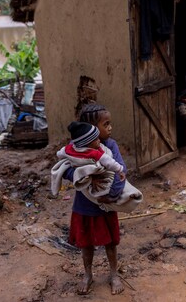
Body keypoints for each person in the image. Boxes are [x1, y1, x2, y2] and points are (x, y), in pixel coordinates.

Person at [61, 104, 126, 296]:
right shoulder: (74, 149)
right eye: (106, 124)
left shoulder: (110, 146)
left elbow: (121, 170)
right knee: (86, 243)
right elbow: (64, 169)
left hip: (105, 205)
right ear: (91, 128)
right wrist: (85, 176)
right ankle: (88, 274)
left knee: (111, 243)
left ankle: (114, 274)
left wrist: (111, 194)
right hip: (84, 205)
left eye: (110, 123)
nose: (110, 128)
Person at [57, 121, 126, 197]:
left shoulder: (70, 149)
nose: (99, 141)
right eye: (96, 139)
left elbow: (60, 153)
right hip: (87, 196)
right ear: (88, 143)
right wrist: (120, 170)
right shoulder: (93, 152)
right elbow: (109, 162)